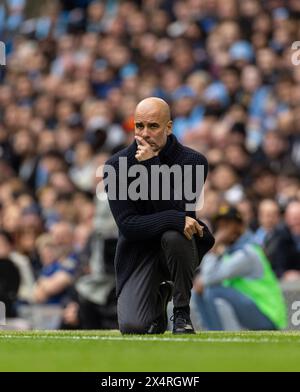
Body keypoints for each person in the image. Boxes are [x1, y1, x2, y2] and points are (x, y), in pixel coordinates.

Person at [105, 97, 215, 334]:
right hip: (138, 252)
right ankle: (159, 297)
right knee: (134, 327)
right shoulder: (115, 166)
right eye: (139, 126)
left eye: (153, 126)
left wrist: (152, 167)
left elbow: (183, 217)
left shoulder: (193, 162)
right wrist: (173, 219)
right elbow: (128, 226)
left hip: (178, 248)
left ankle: (181, 313)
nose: (144, 133)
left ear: (169, 127)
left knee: (176, 235)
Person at [193, 205, 287, 331]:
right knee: (201, 290)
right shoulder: (231, 251)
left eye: (227, 225)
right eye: (220, 225)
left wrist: (215, 244)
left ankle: (216, 334)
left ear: (240, 226)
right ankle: (211, 331)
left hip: (268, 314)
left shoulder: (247, 253)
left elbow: (208, 278)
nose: (223, 230)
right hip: (259, 310)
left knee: (212, 290)